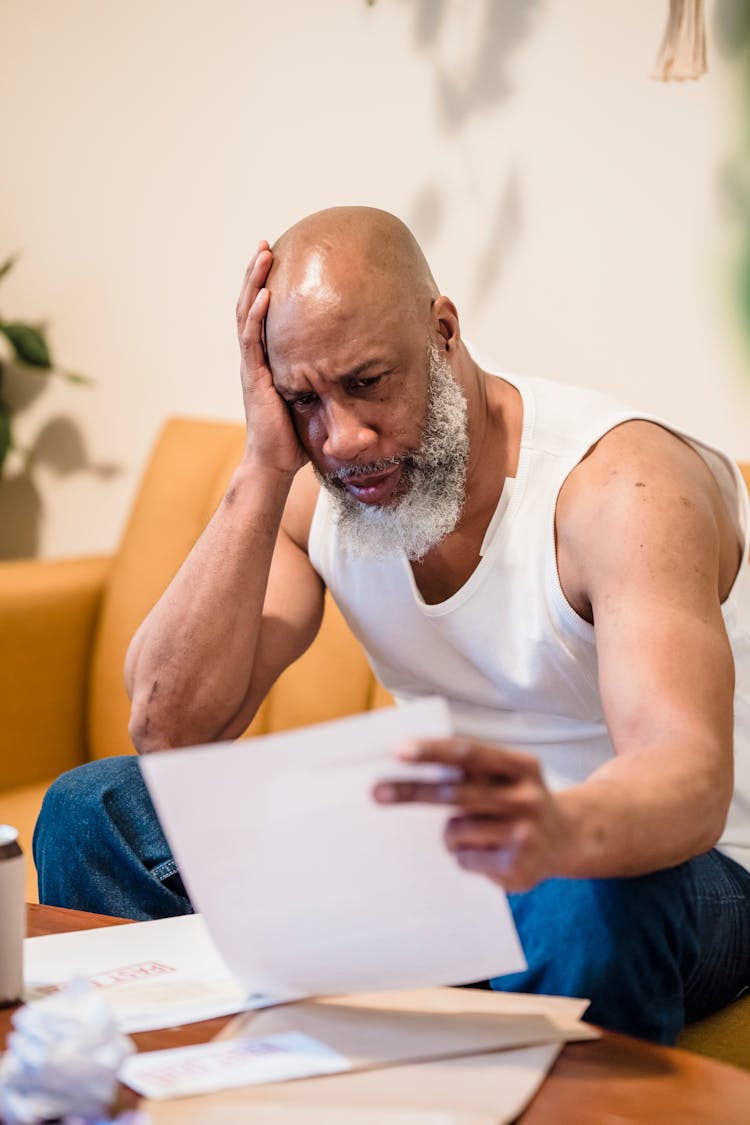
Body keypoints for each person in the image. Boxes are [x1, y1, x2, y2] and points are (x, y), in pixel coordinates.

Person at [34, 206, 750, 1044]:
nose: (344, 438)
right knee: (93, 810)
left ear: (442, 331)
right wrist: (265, 462)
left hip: (660, 866)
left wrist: (557, 829)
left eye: (368, 382)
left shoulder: (617, 486)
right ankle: (223, 1091)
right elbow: (170, 726)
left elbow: (688, 775)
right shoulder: (319, 478)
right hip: (447, 865)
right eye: (306, 399)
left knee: (578, 893)